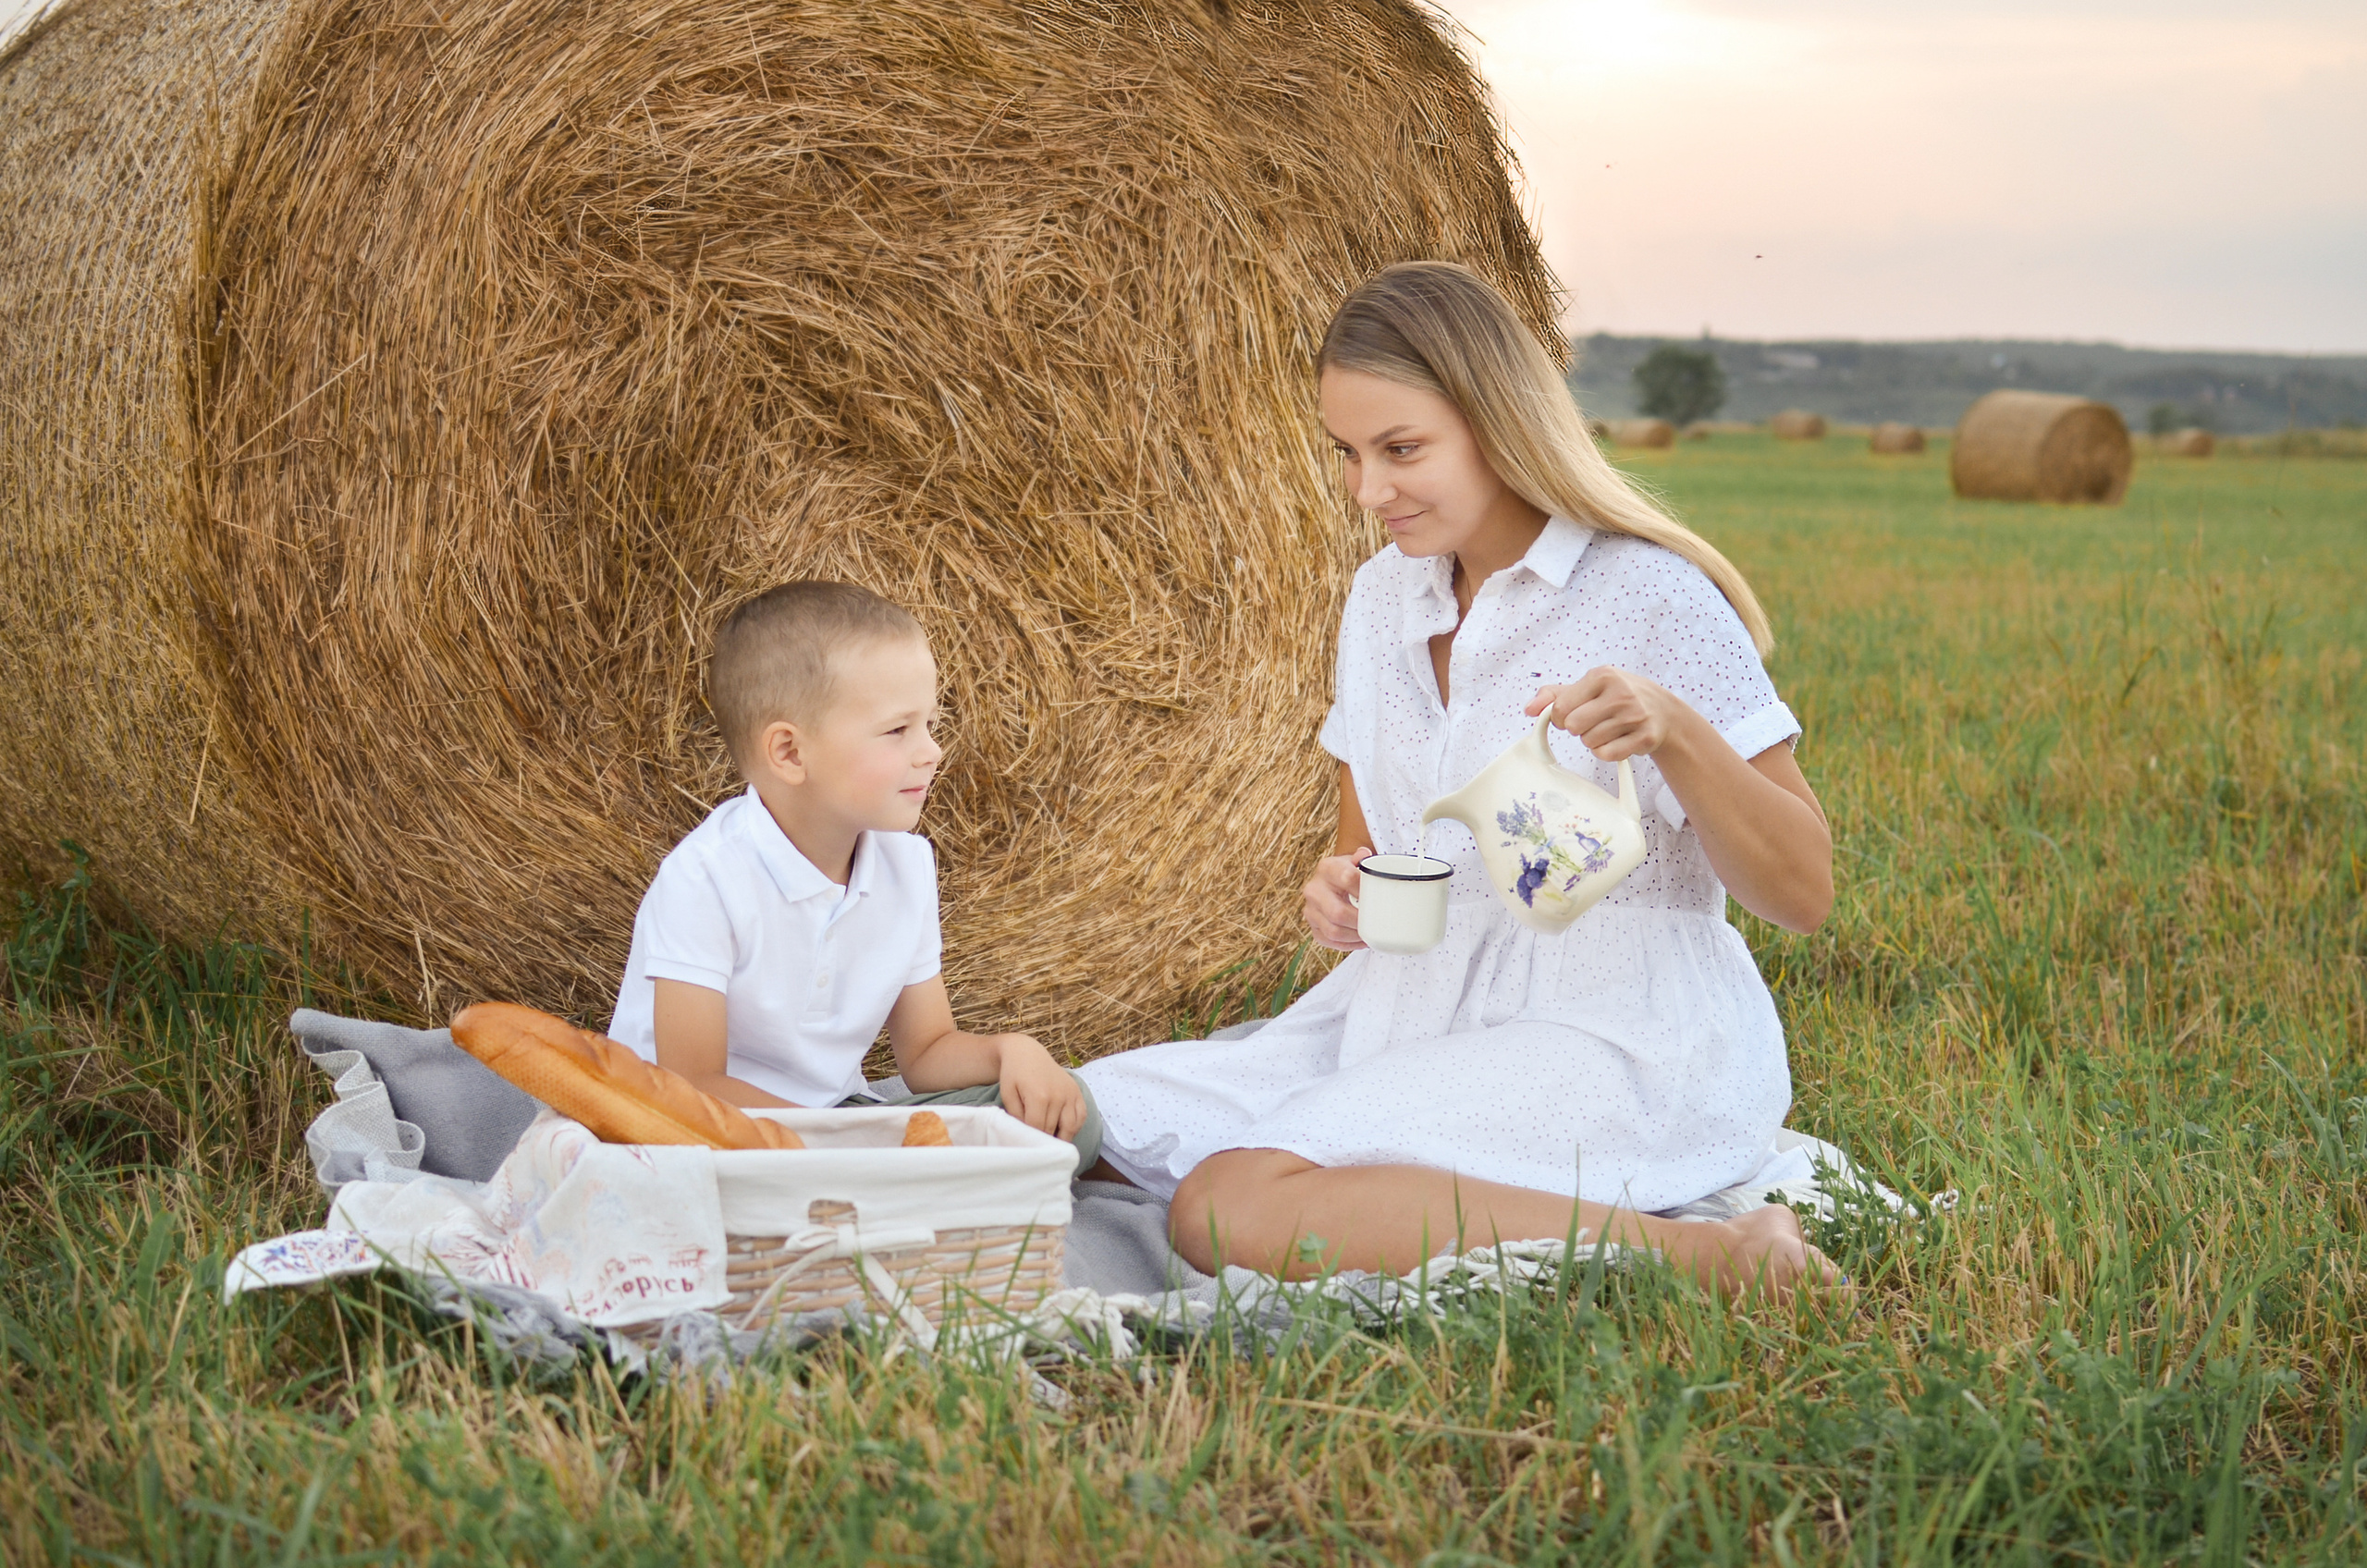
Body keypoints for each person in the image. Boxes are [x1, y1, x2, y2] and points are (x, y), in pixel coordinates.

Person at [1076, 263, 1838, 1294]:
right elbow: (1365, 848)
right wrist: (1336, 890)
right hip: (1406, 1008)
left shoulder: (1652, 596)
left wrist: (1675, 733)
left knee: (1230, 1204)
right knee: (1076, 1121)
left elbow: (1803, 893)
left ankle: (1713, 1257)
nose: (1367, 492)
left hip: (1622, 1032)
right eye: (1347, 453)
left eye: (1401, 450)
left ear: (1498, 422)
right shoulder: (1379, 601)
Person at [607, 581, 1102, 1169]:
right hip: (700, 1132)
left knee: (1066, 1116)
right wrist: (850, 1142)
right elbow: (691, 1085)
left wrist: (1010, 1052)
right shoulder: (706, 878)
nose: (932, 751)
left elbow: (927, 1051)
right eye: (898, 730)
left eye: (930, 724)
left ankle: (888, 1182)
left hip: (836, 1122)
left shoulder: (906, 866)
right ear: (790, 753)